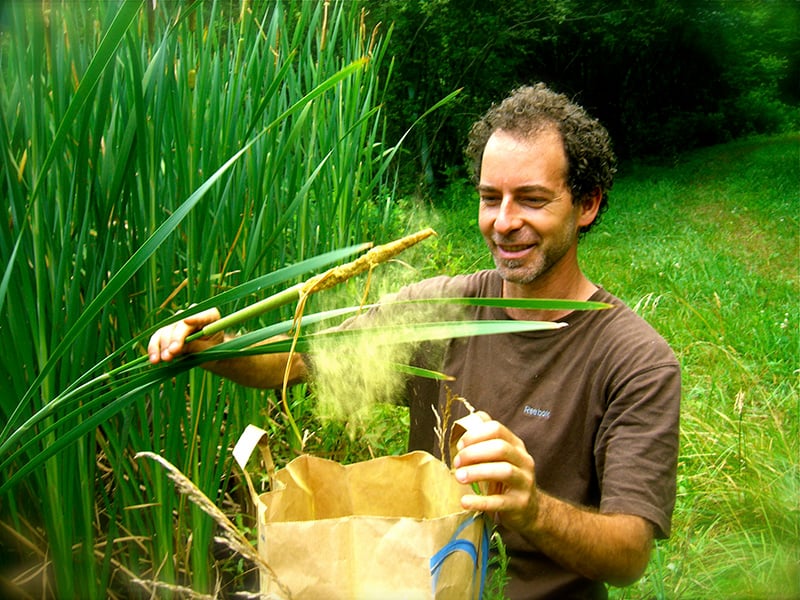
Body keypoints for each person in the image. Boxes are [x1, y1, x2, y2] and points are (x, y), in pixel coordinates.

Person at [148, 83, 680, 599]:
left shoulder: (634, 359)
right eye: (490, 198)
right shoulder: (436, 312)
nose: (504, 221)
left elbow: (629, 555)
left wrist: (532, 507)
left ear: (586, 204)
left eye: (532, 200)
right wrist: (214, 347)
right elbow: (296, 361)